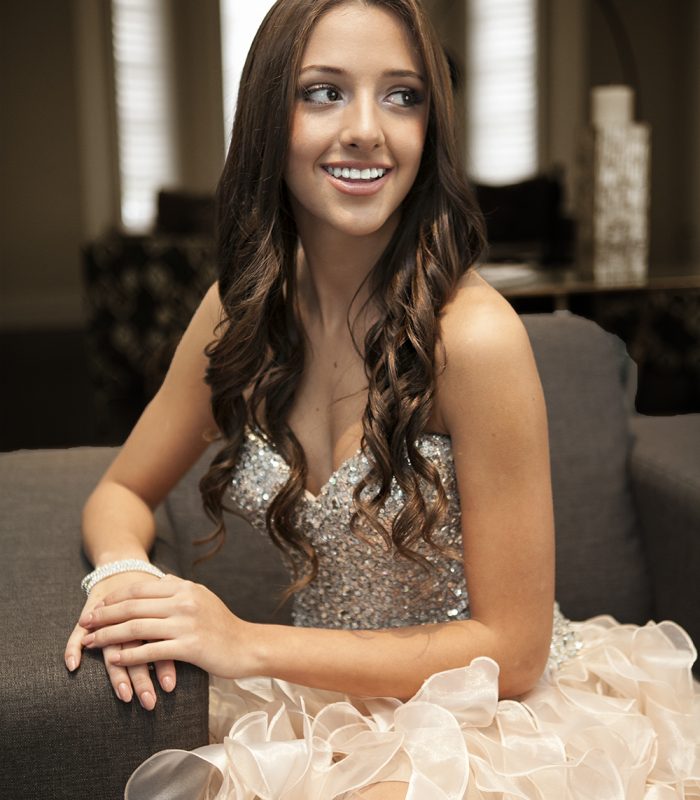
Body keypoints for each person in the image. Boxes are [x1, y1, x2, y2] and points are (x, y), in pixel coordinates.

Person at [64, 1, 699, 797]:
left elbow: (514, 651)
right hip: (322, 710)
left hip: (483, 723)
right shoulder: (241, 310)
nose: (368, 128)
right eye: (323, 92)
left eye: (403, 95)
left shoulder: (475, 340)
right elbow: (121, 491)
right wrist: (125, 580)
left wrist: (244, 643)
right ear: (269, 118)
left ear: (432, 128)